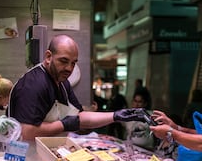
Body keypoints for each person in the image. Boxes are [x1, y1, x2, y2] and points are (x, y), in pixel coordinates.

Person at [8, 34, 150, 140]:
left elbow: (80, 117)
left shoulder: (62, 82)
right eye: (64, 61)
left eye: (73, 63)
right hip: (26, 159)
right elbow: (26, 132)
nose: (69, 68)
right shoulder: (35, 84)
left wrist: (115, 115)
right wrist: (64, 125)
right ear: (48, 56)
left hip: (48, 152)